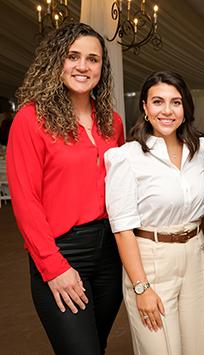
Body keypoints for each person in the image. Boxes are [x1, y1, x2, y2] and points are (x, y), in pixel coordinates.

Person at [6, 23, 124, 355]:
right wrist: (53, 266)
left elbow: (124, 188)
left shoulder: (111, 122)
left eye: (93, 59)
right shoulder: (31, 119)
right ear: (56, 61)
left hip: (110, 254)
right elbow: (26, 200)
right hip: (62, 252)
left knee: (95, 345)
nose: (83, 66)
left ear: (103, 66)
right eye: (73, 56)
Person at [105, 71, 204, 355]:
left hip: (195, 255)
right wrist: (141, 288)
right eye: (158, 102)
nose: (167, 111)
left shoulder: (201, 148)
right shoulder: (126, 157)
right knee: (160, 349)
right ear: (144, 107)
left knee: (197, 347)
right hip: (150, 259)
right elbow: (122, 228)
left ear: (185, 107)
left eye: (175, 102)